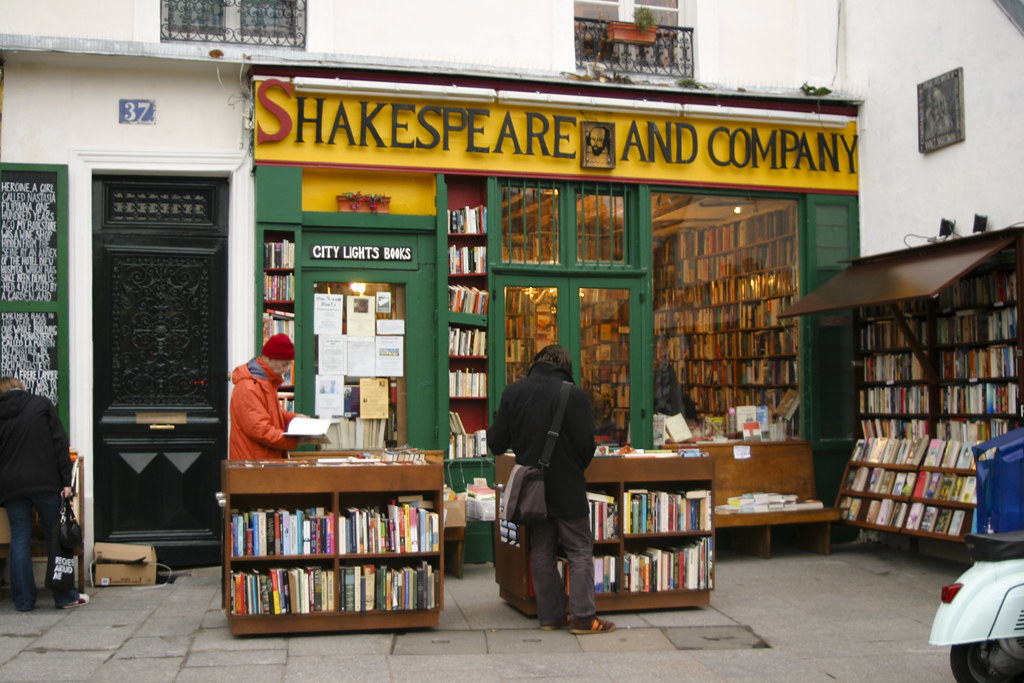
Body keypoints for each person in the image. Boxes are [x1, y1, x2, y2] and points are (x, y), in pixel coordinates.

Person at [487, 344, 615, 634]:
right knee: (579, 549)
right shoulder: (574, 395)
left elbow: (496, 443)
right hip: (567, 484)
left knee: (541, 550)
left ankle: (550, 616)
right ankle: (583, 618)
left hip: (532, 489)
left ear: (536, 363)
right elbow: (586, 447)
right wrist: (571, 464)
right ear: (566, 367)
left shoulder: (513, 392)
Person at [0, 377, 88, 610]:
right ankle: (65, 596)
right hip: (45, 482)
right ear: (21, 387)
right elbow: (59, 443)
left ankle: (23, 601)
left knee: (19, 538)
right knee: (55, 537)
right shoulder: (40, 404)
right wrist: (66, 481)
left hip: (11, 485)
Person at [229, 333, 303, 460]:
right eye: (284, 364)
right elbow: (260, 430)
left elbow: (269, 413)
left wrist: (294, 418)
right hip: (253, 463)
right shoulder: (249, 386)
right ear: (269, 358)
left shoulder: (265, 382)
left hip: (261, 461)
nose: (286, 370)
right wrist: (295, 440)